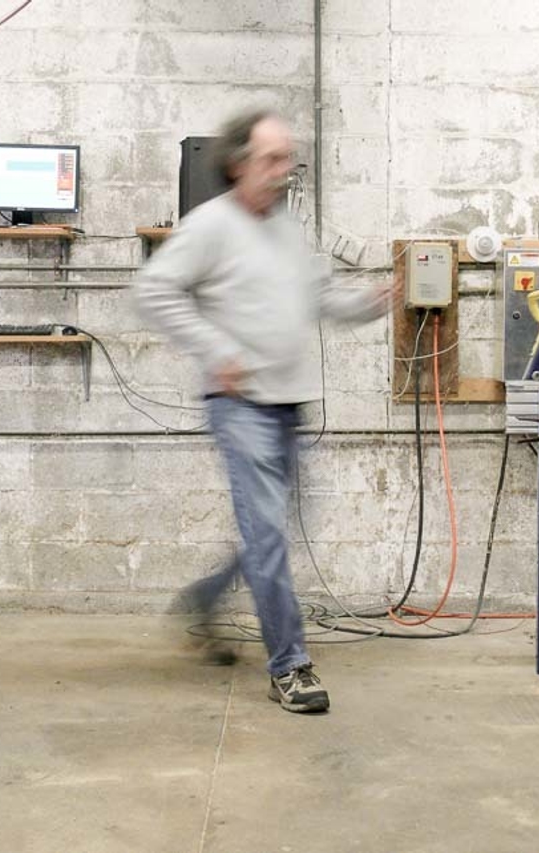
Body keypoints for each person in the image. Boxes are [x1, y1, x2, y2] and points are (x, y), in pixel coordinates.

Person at [133, 108, 389, 713]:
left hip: (287, 405)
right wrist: (217, 350)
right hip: (240, 407)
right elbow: (153, 289)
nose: (285, 171)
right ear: (239, 162)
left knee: (270, 531)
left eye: (288, 159)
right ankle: (290, 665)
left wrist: (372, 304)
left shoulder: (289, 228)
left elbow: (320, 296)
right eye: (273, 159)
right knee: (268, 532)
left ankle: (204, 599)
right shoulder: (210, 226)